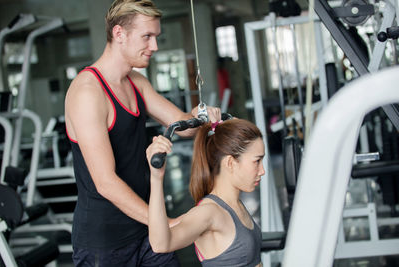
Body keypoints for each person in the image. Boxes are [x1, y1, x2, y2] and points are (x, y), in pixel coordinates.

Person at [64, 0, 220, 266]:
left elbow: (181, 126)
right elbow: (105, 183)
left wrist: (201, 116)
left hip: (147, 230)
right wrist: (167, 222)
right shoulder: (88, 91)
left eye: (156, 37)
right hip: (105, 242)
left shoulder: (137, 82)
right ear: (119, 34)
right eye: (147, 37)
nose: (155, 47)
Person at [147, 118, 264, 267]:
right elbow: (160, 244)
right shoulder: (209, 212)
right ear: (230, 163)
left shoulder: (236, 204)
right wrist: (156, 178)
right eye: (257, 161)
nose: (262, 170)